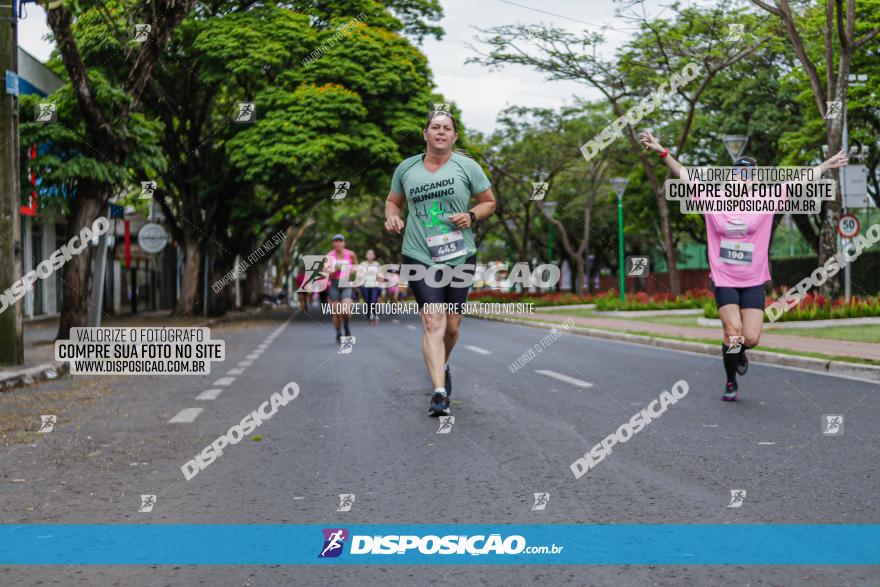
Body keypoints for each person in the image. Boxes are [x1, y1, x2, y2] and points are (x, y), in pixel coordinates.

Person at [639, 129, 848, 400]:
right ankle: (730, 382)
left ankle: (737, 353)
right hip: (724, 279)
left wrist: (827, 165)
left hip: (753, 280)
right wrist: (662, 150)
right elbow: (685, 174)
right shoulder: (712, 199)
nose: (742, 178)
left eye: (747, 175)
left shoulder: (767, 200)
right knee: (732, 330)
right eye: (738, 174)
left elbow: (799, 180)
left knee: (750, 338)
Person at [384, 110, 496, 416]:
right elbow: (393, 202)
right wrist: (392, 216)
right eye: (435, 127)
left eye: (447, 128)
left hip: (460, 254)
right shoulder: (406, 169)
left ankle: (442, 364)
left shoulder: (467, 167)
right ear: (425, 134)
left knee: (452, 327)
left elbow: (489, 202)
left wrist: (472, 215)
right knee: (433, 320)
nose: (441, 132)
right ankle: (438, 392)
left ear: (455, 136)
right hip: (419, 254)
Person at [324, 234, 358, 343]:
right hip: (334, 285)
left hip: (346, 283)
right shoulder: (329, 255)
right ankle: (338, 331)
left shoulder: (351, 254)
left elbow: (356, 266)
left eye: (340, 240)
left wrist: (352, 271)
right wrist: (334, 269)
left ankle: (347, 326)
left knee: (345, 311)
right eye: (335, 241)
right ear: (333, 243)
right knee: (337, 313)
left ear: (344, 243)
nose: (338, 243)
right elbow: (325, 272)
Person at [360, 249, 383, 325]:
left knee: (373, 301)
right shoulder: (362, 264)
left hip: (374, 286)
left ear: (374, 256)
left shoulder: (377, 264)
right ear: (366, 256)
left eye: (371, 254)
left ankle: (375, 316)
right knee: (367, 302)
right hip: (365, 286)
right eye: (368, 254)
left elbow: (379, 275)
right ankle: (369, 317)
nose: (370, 255)